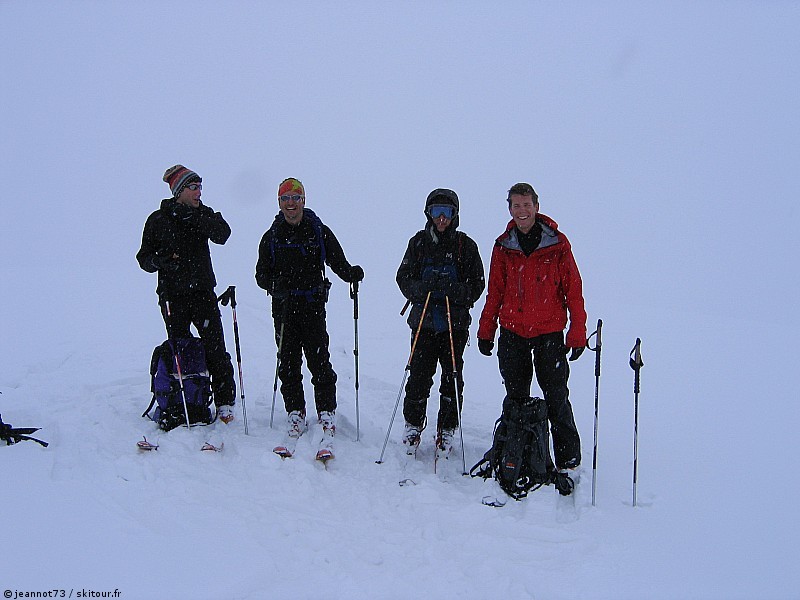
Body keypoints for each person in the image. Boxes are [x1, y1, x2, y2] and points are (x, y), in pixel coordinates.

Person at [477, 182, 587, 472]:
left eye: (527, 205)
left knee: (556, 397)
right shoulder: (503, 246)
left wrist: (577, 331)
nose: (522, 211)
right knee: (515, 398)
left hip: (549, 334)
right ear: (510, 209)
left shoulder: (557, 244)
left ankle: (567, 458)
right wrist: (486, 330)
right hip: (513, 334)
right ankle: (516, 451)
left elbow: (573, 290)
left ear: (536, 207)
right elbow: (495, 292)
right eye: (516, 205)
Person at [255, 178, 364, 453]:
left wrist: (350, 273)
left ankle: (326, 411)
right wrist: (273, 285)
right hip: (283, 309)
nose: (291, 204)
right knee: (288, 362)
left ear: (304, 200)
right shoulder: (272, 236)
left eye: (295, 197)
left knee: (319, 360)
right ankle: (295, 412)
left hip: (312, 306)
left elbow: (336, 260)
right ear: (279, 203)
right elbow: (260, 274)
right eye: (285, 199)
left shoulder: (318, 231)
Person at [137, 165, 237, 425]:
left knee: (216, 348)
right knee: (180, 349)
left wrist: (192, 217)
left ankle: (225, 402)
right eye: (193, 187)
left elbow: (223, 234)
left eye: (200, 187)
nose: (198, 192)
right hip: (173, 296)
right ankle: (185, 398)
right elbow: (143, 259)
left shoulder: (203, 214)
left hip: (203, 293)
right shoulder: (158, 219)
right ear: (179, 191)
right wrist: (162, 261)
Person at [396, 188, 485, 457]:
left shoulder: (465, 246)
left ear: (455, 215)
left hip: (453, 324)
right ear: (429, 214)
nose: (442, 218)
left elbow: (478, 284)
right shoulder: (418, 243)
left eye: (447, 212)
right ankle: (413, 424)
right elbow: (403, 277)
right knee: (419, 375)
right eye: (437, 212)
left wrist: (456, 291)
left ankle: (447, 427)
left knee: (452, 378)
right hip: (423, 322)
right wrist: (421, 288)